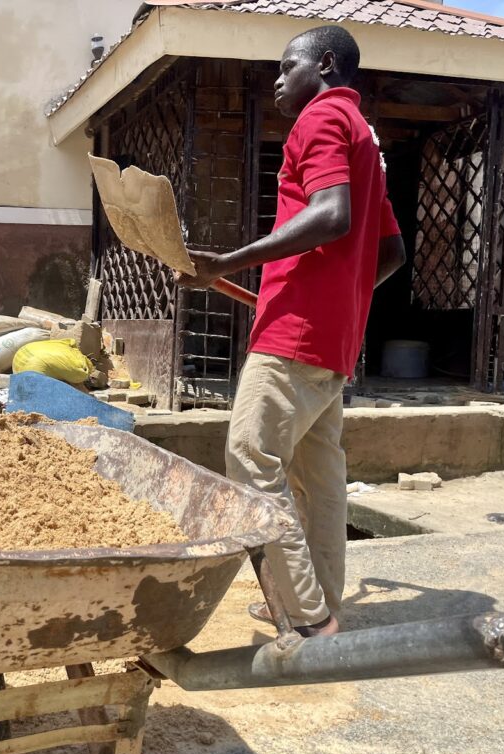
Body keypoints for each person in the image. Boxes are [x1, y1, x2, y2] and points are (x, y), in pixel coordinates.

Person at [176, 25, 406, 637]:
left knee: (250, 455)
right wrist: (346, 301)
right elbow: (391, 254)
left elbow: (330, 216)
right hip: (331, 342)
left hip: (295, 336)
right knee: (318, 478)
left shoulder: (321, 119)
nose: (276, 81)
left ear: (324, 65)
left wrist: (226, 263)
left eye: (285, 67)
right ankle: (323, 605)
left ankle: (305, 619)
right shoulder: (366, 138)